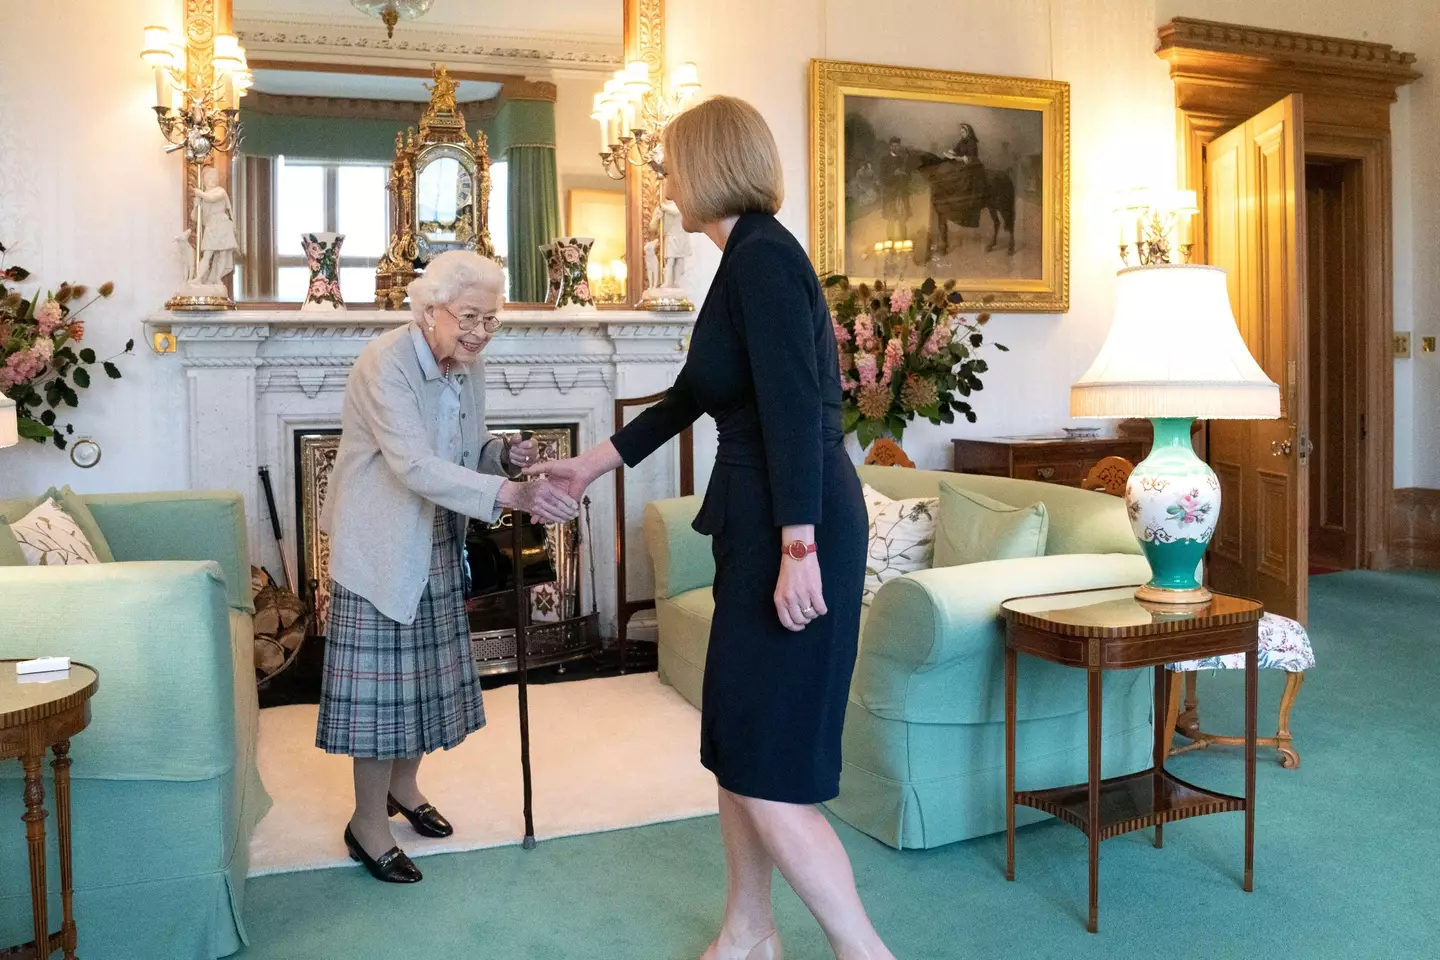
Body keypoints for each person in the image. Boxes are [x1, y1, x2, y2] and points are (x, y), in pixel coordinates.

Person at [531, 97, 894, 960]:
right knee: (738, 746)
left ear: (709, 164)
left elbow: (799, 412)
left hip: (789, 527)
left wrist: (798, 547)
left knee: (768, 765)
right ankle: (749, 931)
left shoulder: (765, 258)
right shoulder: (740, 263)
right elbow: (696, 394)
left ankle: (864, 952)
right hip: (758, 525)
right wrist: (593, 463)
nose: (662, 179)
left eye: (669, 163)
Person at [316, 251, 579, 884]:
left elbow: (459, 451)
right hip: (381, 543)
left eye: (492, 320)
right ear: (428, 310)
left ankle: (403, 791)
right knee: (382, 698)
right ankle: (366, 826)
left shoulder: (467, 366)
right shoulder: (385, 364)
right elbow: (411, 465)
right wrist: (511, 496)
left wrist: (499, 455)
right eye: (469, 317)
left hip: (435, 536)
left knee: (421, 685)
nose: (480, 332)